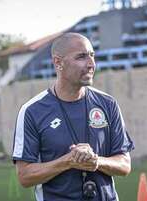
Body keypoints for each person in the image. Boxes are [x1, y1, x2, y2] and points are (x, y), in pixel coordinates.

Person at [12, 32, 134, 201]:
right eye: (81, 57)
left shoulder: (108, 104)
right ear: (58, 62)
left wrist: (96, 161)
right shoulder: (32, 111)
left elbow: (124, 164)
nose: (91, 64)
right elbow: (24, 176)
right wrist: (68, 161)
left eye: (92, 56)